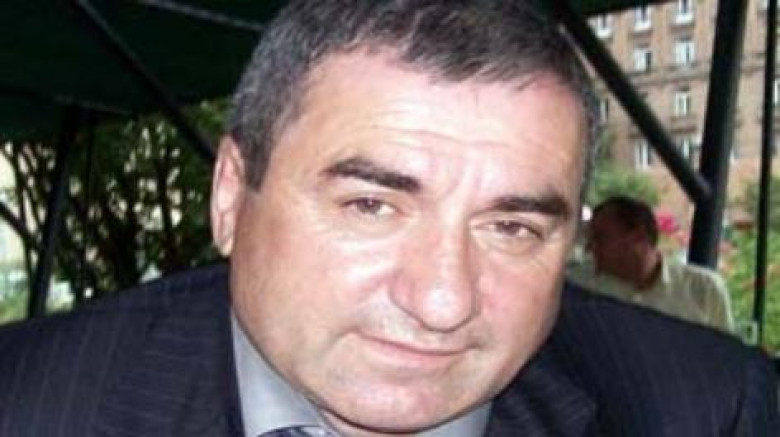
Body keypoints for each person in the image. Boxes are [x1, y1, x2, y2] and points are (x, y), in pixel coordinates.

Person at [0, 1, 776, 436]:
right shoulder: (28, 404)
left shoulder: (708, 410)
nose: (442, 300)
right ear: (231, 195)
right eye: (371, 205)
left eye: (511, 227)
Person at [568, 196, 735, 332]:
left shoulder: (704, 289)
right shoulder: (579, 285)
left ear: (638, 236)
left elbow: (723, 356)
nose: (589, 247)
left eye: (600, 237)